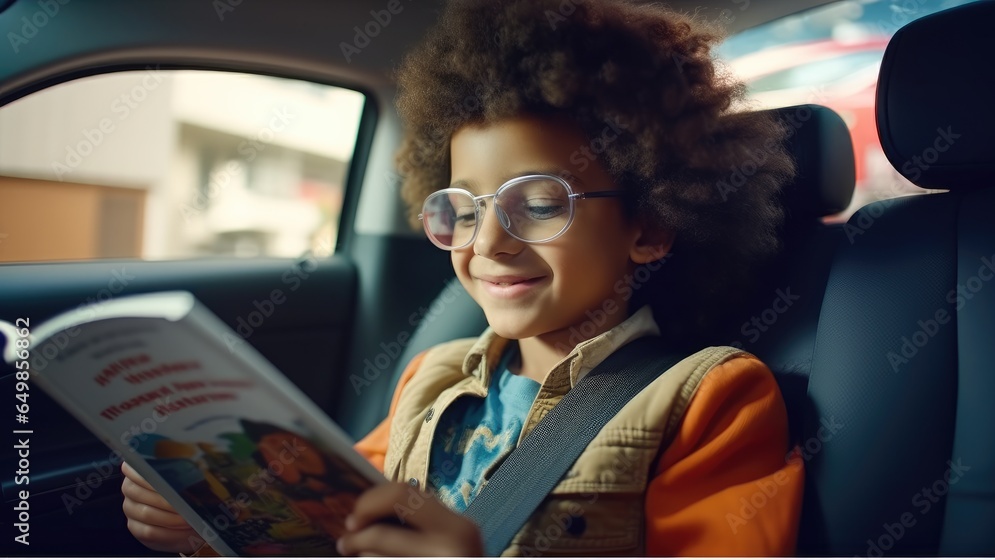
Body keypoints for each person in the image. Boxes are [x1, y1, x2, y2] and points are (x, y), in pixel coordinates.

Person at [121, 0, 805, 555]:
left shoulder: (710, 400)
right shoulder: (431, 377)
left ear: (649, 227)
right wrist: (218, 524)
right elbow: (333, 532)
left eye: (538, 204)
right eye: (462, 209)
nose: (489, 241)